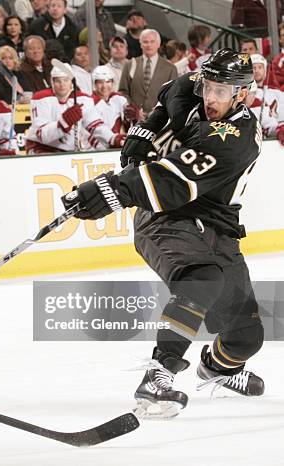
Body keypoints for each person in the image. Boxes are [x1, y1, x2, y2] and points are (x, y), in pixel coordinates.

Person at [60, 49, 265, 419]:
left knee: (245, 338)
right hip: (164, 217)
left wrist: (112, 189)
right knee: (202, 280)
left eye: (222, 92)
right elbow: (171, 89)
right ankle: (159, 375)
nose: (211, 98)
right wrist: (147, 128)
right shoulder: (193, 87)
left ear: (242, 94)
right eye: (209, 87)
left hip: (215, 224)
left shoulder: (238, 138)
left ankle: (217, 368)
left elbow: (174, 179)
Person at [24, 62, 111, 153]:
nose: (62, 84)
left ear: (71, 82)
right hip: (41, 147)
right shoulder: (41, 98)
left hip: (68, 150)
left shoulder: (83, 99)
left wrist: (113, 138)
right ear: (52, 82)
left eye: (65, 80)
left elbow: (96, 125)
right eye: (58, 81)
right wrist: (62, 124)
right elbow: (41, 135)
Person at [119, 29, 178, 116]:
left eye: (152, 42)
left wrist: (158, 111)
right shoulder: (129, 64)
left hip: (159, 119)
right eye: (145, 42)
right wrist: (134, 110)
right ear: (141, 44)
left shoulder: (170, 68)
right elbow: (123, 92)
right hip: (134, 119)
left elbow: (172, 95)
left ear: (158, 44)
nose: (149, 45)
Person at [88, 65, 127, 149]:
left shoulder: (119, 99)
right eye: (100, 82)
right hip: (97, 150)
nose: (104, 86)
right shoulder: (89, 103)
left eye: (108, 81)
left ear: (112, 82)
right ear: (94, 84)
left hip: (118, 147)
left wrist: (134, 118)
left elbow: (128, 124)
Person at [249, 53, 284, 138]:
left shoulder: (277, 93)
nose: (256, 70)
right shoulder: (245, 95)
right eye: (254, 68)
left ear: (265, 70)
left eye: (260, 67)